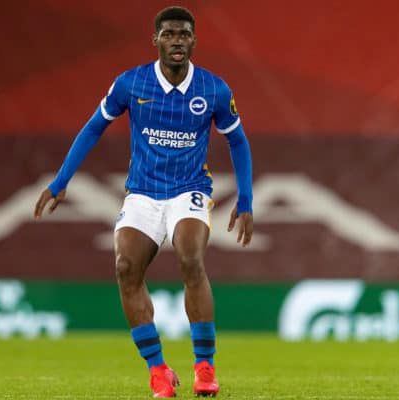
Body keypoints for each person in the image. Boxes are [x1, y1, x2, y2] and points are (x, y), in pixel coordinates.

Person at [34, 6, 253, 398]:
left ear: (194, 41)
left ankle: (205, 367)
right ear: (155, 40)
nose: (177, 42)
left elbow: (237, 139)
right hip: (143, 193)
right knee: (125, 267)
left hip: (190, 190)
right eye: (169, 34)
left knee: (190, 257)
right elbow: (93, 127)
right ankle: (158, 371)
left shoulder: (214, 89)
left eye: (184, 35)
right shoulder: (131, 84)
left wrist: (247, 200)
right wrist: (61, 180)